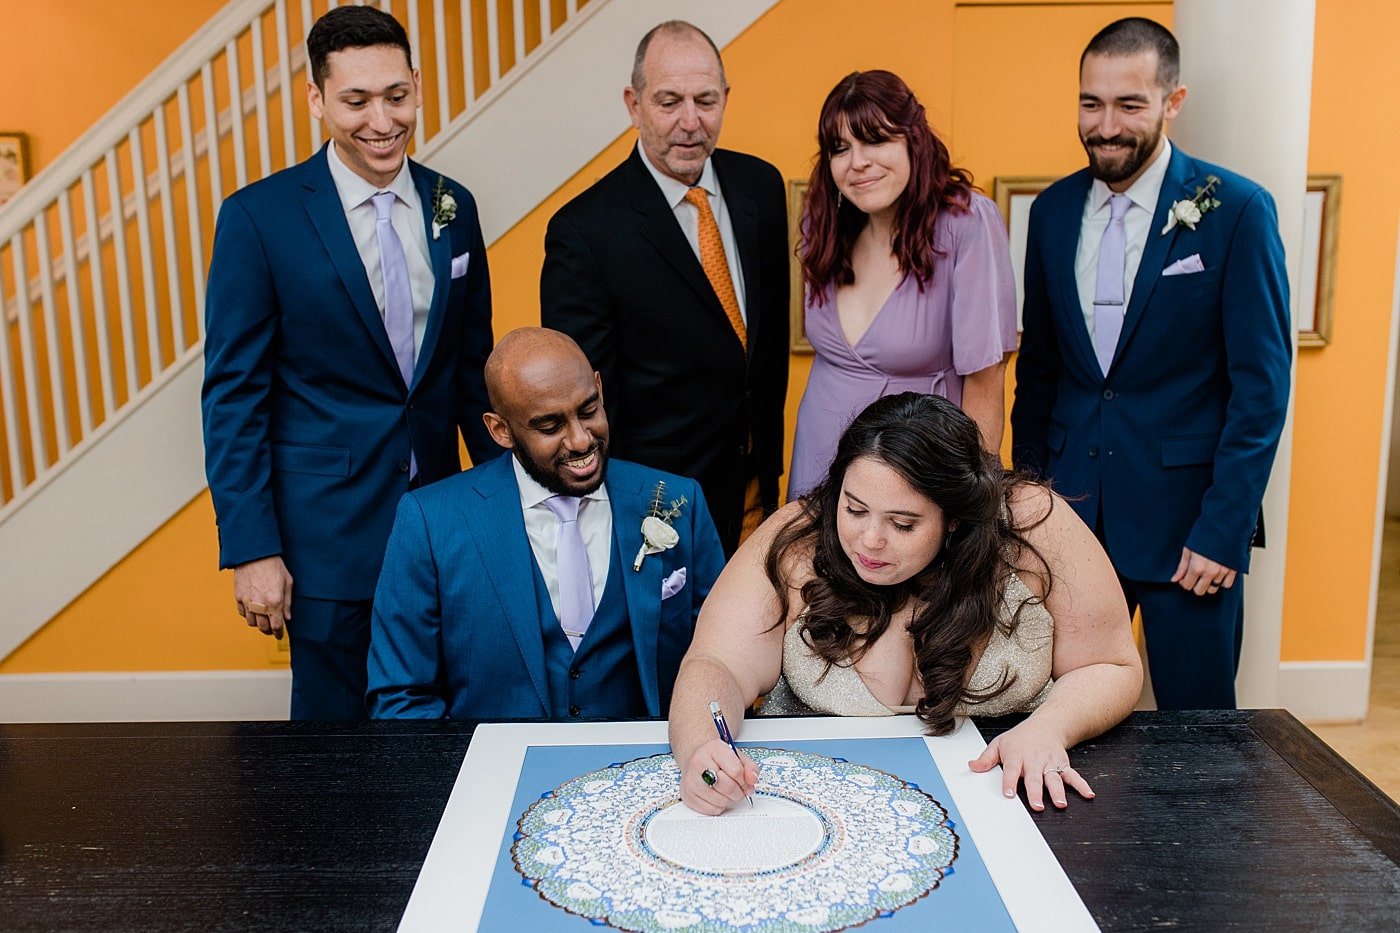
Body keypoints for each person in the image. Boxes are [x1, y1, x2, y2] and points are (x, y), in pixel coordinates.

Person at [201, 5, 497, 720]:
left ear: (418, 86)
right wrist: (253, 548)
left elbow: (471, 374)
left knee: (446, 724)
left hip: (442, 527)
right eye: (356, 100)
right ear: (317, 99)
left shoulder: (453, 206)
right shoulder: (259, 218)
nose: (382, 121)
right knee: (332, 748)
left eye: (396, 96)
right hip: (325, 542)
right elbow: (234, 396)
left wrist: (507, 511)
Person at [668, 392, 1141, 815]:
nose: (870, 540)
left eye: (903, 524)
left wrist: (1050, 728)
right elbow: (716, 663)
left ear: (954, 519)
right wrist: (702, 748)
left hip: (1003, 801)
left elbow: (1111, 664)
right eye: (854, 509)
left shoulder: (1032, 524)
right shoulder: (798, 539)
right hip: (806, 804)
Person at [1010, 18, 1291, 709]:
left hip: (1187, 533)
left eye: (1129, 105)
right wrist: (1027, 508)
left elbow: (1260, 391)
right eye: (1091, 103)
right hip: (1069, 521)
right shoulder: (1051, 212)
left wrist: (1223, 531)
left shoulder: (1237, 210)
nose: (1105, 126)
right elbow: (1039, 375)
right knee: (1059, 715)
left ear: (1173, 101)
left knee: (1201, 729)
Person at [367, 328, 726, 720]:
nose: (580, 440)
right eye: (550, 426)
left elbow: (725, 654)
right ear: (500, 430)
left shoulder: (680, 501)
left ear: (599, 388)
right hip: (492, 757)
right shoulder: (430, 521)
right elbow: (402, 696)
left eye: (588, 411)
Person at [541, 20, 789, 557]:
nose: (690, 122)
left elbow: (763, 351)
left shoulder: (762, 187)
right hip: (655, 505)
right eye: (669, 101)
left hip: (758, 488)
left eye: (706, 101)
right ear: (634, 105)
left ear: (725, 98)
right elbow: (585, 400)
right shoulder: (584, 232)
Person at [789, 70, 1017, 500]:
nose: (857, 162)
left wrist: (973, 502)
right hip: (817, 460)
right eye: (840, 148)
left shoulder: (966, 223)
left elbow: (986, 381)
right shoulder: (823, 222)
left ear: (914, 140)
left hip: (914, 469)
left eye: (875, 140)